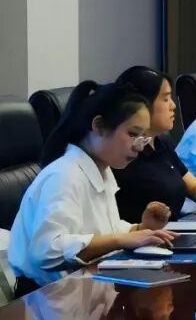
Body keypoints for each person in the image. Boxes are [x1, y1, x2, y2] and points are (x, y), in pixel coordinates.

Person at [9, 82, 176, 292]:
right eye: (132, 134)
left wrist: (140, 229)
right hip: (46, 296)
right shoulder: (64, 175)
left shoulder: (102, 169)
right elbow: (46, 251)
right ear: (98, 126)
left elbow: (101, 230)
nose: (138, 147)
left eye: (142, 137)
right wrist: (121, 240)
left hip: (85, 289)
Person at [111, 67, 196, 224]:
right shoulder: (122, 154)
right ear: (142, 104)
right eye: (166, 99)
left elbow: (194, 187)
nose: (173, 106)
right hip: (143, 236)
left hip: (173, 230)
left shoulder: (162, 141)